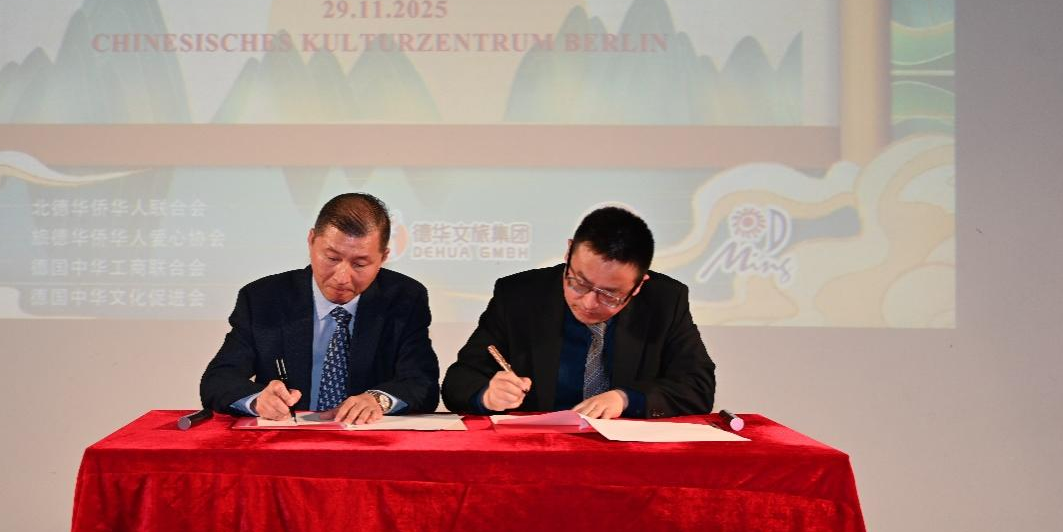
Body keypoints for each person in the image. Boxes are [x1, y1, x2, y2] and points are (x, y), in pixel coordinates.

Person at [442, 206, 714, 419]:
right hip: (537, 450)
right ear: (568, 252)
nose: (589, 302)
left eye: (610, 295)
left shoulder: (665, 301)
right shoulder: (519, 295)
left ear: (639, 285)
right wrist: (488, 395)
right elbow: (459, 380)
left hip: (624, 454)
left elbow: (697, 386)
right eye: (578, 282)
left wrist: (626, 399)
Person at [201, 193, 439, 424]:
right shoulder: (263, 298)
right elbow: (219, 379)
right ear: (311, 240)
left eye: (360, 264)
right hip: (286, 440)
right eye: (332, 258)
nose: (342, 277)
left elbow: (422, 384)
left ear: (383, 257)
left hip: (367, 440)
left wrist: (379, 400)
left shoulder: (405, 299)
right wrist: (257, 400)